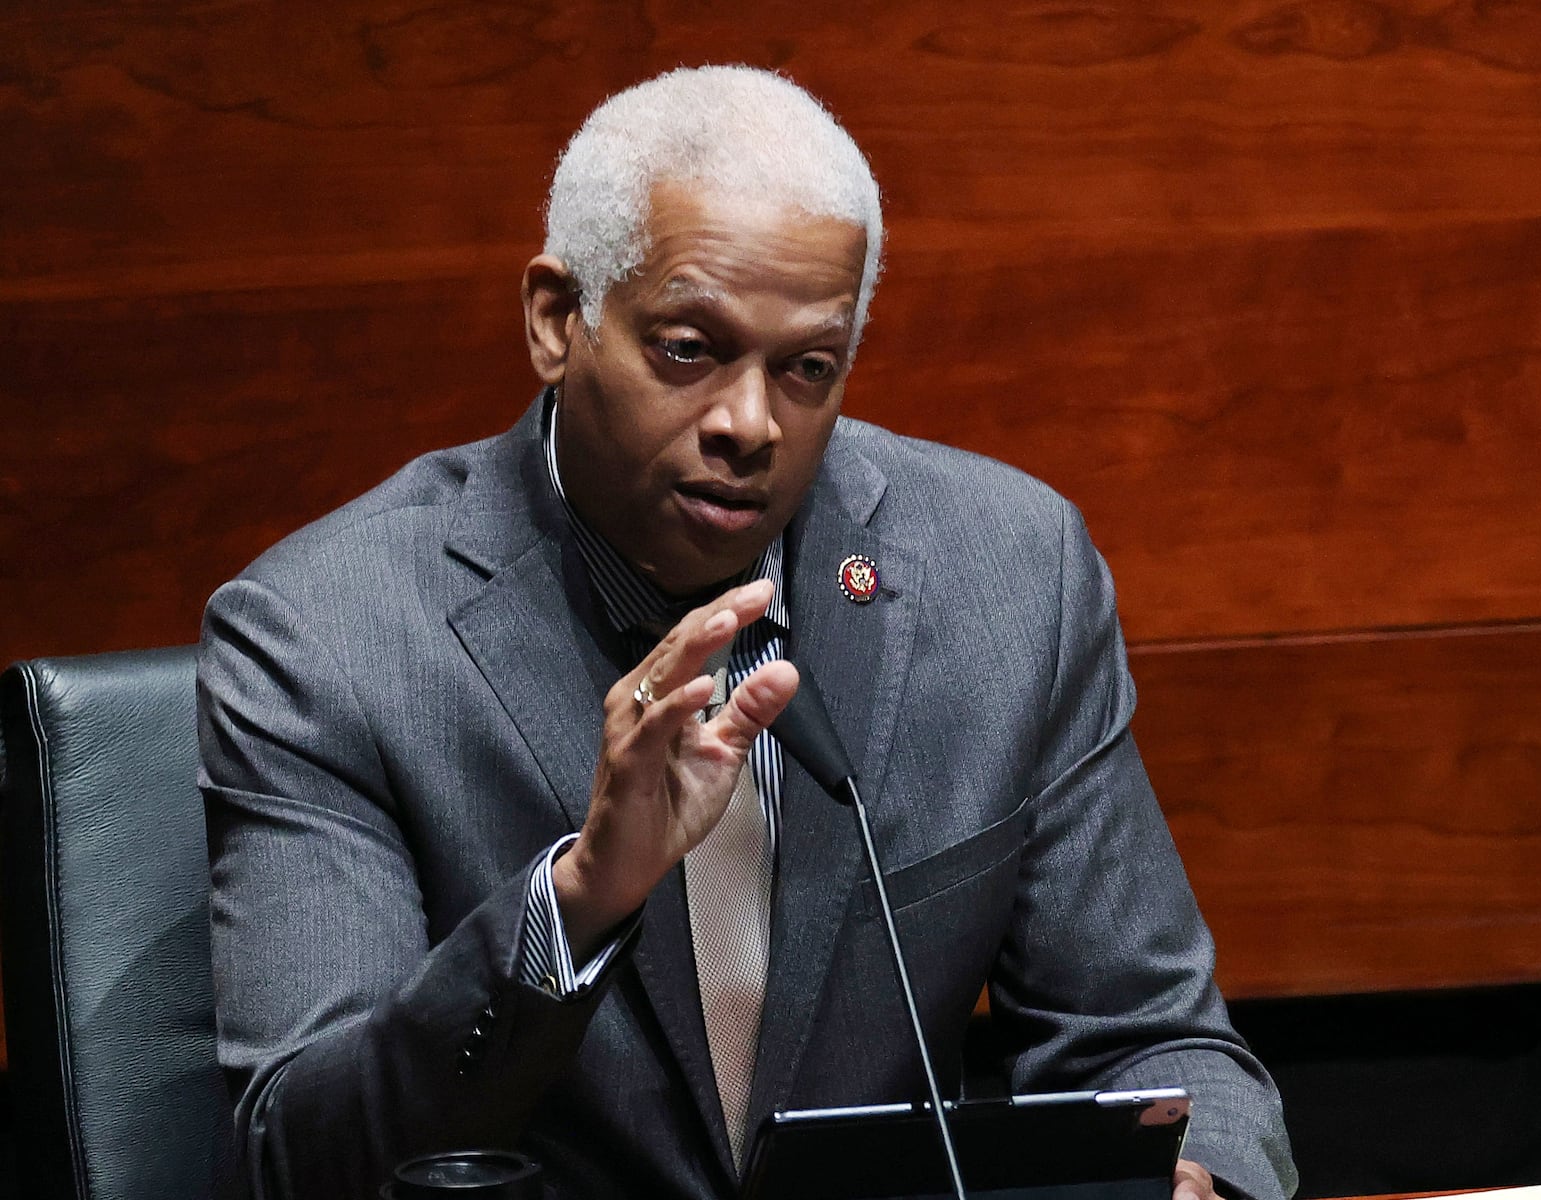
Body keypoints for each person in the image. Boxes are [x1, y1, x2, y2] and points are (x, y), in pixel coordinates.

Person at [198, 65, 1296, 1200]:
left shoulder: (1007, 575)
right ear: (557, 321)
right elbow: (301, 1156)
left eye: (806, 369)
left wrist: (1200, 1177)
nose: (747, 424)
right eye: (688, 348)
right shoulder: (327, 635)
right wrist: (577, 903)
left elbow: (1153, 1040)